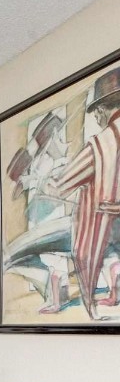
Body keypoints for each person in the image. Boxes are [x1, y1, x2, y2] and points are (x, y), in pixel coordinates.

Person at [57, 66, 120, 319]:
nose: (97, 118)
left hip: (106, 225)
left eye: (97, 113)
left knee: (87, 253)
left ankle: (92, 309)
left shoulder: (101, 143)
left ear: (105, 109)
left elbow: (63, 184)